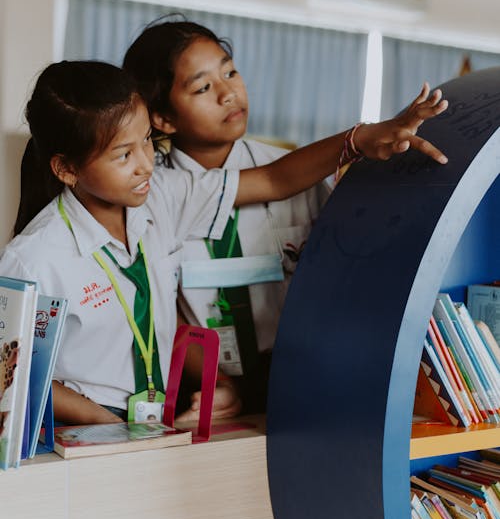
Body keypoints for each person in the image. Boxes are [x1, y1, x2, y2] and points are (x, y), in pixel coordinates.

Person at [0, 59, 447, 427]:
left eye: (146, 145)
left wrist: (358, 139)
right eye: (122, 155)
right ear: (65, 169)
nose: (144, 166)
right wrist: (107, 422)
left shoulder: (162, 198)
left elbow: (273, 179)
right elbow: (12, 373)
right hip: (84, 435)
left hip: (152, 423)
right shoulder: (34, 258)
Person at [123, 16, 448, 421]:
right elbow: (157, 315)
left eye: (231, 72)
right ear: (163, 119)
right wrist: (218, 384)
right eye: (203, 87)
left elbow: (346, 266)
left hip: (302, 380)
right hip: (207, 391)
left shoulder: (296, 173)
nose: (228, 93)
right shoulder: (151, 195)